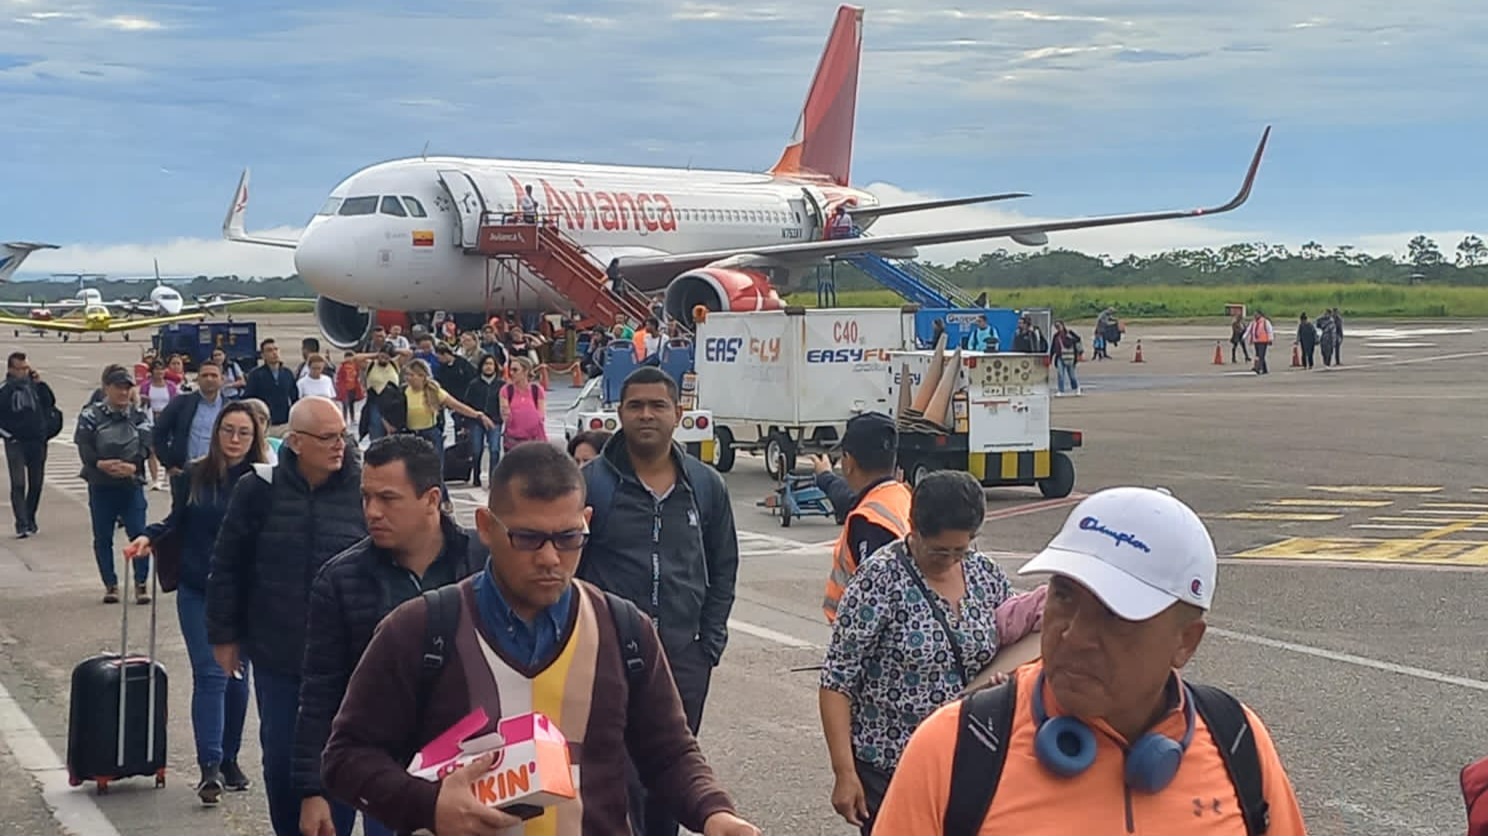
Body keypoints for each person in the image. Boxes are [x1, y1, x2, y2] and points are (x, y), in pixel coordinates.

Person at [320, 441, 760, 836]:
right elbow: (346, 757)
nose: (550, 558)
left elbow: (669, 752)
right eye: (528, 538)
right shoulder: (420, 629)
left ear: (586, 522)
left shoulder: (624, 630)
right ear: (487, 527)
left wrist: (714, 813)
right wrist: (429, 805)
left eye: (569, 538)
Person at [870, 487, 1309, 836]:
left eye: (1116, 614)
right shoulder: (956, 750)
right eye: (1064, 595)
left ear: (1185, 643)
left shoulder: (1238, 742)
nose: (1074, 636)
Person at [819, 471, 1042, 835]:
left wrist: (1002, 678)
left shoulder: (985, 575)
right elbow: (836, 682)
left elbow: (1006, 641)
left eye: (961, 549)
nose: (951, 560)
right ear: (913, 526)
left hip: (968, 761)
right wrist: (844, 773)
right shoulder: (879, 581)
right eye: (940, 550)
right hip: (891, 764)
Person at [295, 435, 488, 836]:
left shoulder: (485, 562)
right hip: (389, 773)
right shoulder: (341, 580)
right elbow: (321, 691)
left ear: (431, 499)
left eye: (388, 498)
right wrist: (312, 790)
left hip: (479, 764)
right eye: (366, 497)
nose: (372, 512)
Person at [575, 365, 739, 836]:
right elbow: (572, 570)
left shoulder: (705, 486)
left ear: (678, 413)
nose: (646, 415)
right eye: (635, 406)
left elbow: (723, 565)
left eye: (657, 405)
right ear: (620, 413)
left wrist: (708, 643)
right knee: (613, 777)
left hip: (682, 660)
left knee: (671, 775)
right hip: (607, 658)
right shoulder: (593, 485)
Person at [206, 397, 368, 836]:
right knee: (281, 755)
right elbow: (228, 563)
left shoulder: (364, 489)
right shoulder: (259, 490)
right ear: (295, 442)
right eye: (327, 437)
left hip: (348, 658)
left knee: (340, 754)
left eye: (342, 435)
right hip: (279, 652)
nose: (340, 446)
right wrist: (224, 633)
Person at [128, 402, 265, 805]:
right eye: (228, 431)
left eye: (244, 432)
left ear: (255, 437)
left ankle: (230, 759)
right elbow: (177, 521)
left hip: (246, 592)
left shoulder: (265, 481)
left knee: (239, 678)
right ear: (217, 433)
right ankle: (210, 767)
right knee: (210, 674)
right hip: (198, 587)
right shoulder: (194, 476)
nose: (236, 440)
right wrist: (148, 537)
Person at [812, 412, 912, 624]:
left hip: (865, 640)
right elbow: (848, 499)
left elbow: (873, 599)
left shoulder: (868, 522)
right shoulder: (899, 496)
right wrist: (825, 478)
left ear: (848, 462)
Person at [75, 367, 154, 604]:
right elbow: (84, 446)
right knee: (103, 537)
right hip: (101, 485)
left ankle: (141, 583)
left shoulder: (139, 415)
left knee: (138, 533)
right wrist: (99, 463)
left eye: (127, 387)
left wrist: (134, 465)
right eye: (118, 387)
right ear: (106, 388)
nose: (123, 392)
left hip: (131, 485)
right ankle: (110, 584)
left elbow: (147, 445)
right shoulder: (90, 415)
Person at [0, 351, 57, 538]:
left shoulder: (35, 387)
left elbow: (50, 403)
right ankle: (21, 523)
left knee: (36, 484)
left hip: (37, 441)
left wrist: (40, 382)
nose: (24, 372)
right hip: (15, 442)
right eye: (20, 368)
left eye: (26, 368)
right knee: (18, 484)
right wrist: (9, 436)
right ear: (11, 369)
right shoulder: (5, 391)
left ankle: (30, 517)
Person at [152, 359, 226, 476]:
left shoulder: (230, 407)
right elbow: (159, 432)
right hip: (185, 472)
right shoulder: (181, 403)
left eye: (214, 375)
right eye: (204, 375)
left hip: (219, 473)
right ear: (198, 379)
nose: (209, 379)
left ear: (222, 380)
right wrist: (169, 464)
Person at [462, 354, 505, 486]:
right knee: (476, 450)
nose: (488, 367)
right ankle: (476, 475)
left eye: (491, 364)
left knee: (494, 449)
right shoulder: (474, 384)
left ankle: (494, 479)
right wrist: (466, 423)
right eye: (486, 364)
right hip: (476, 421)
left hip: (495, 420)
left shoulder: (501, 384)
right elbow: (467, 404)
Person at [244, 338, 299, 431]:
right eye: (269, 350)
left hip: (284, 423)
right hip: (265, 424)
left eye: (276, 349)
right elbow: (249, 398)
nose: (274, 353)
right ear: (263, 355)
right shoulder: (256, 375)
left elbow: (294, 397)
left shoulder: (287, 373)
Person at [498, 357, 547, 451]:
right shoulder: (507, 390)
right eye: (510, 370)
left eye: (515, 370)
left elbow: (541, 415)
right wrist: (505, 412)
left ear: (526, 371)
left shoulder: (536, 390)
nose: (511, 373)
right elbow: (505, 415)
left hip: (535, 440)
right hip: (513, 441)